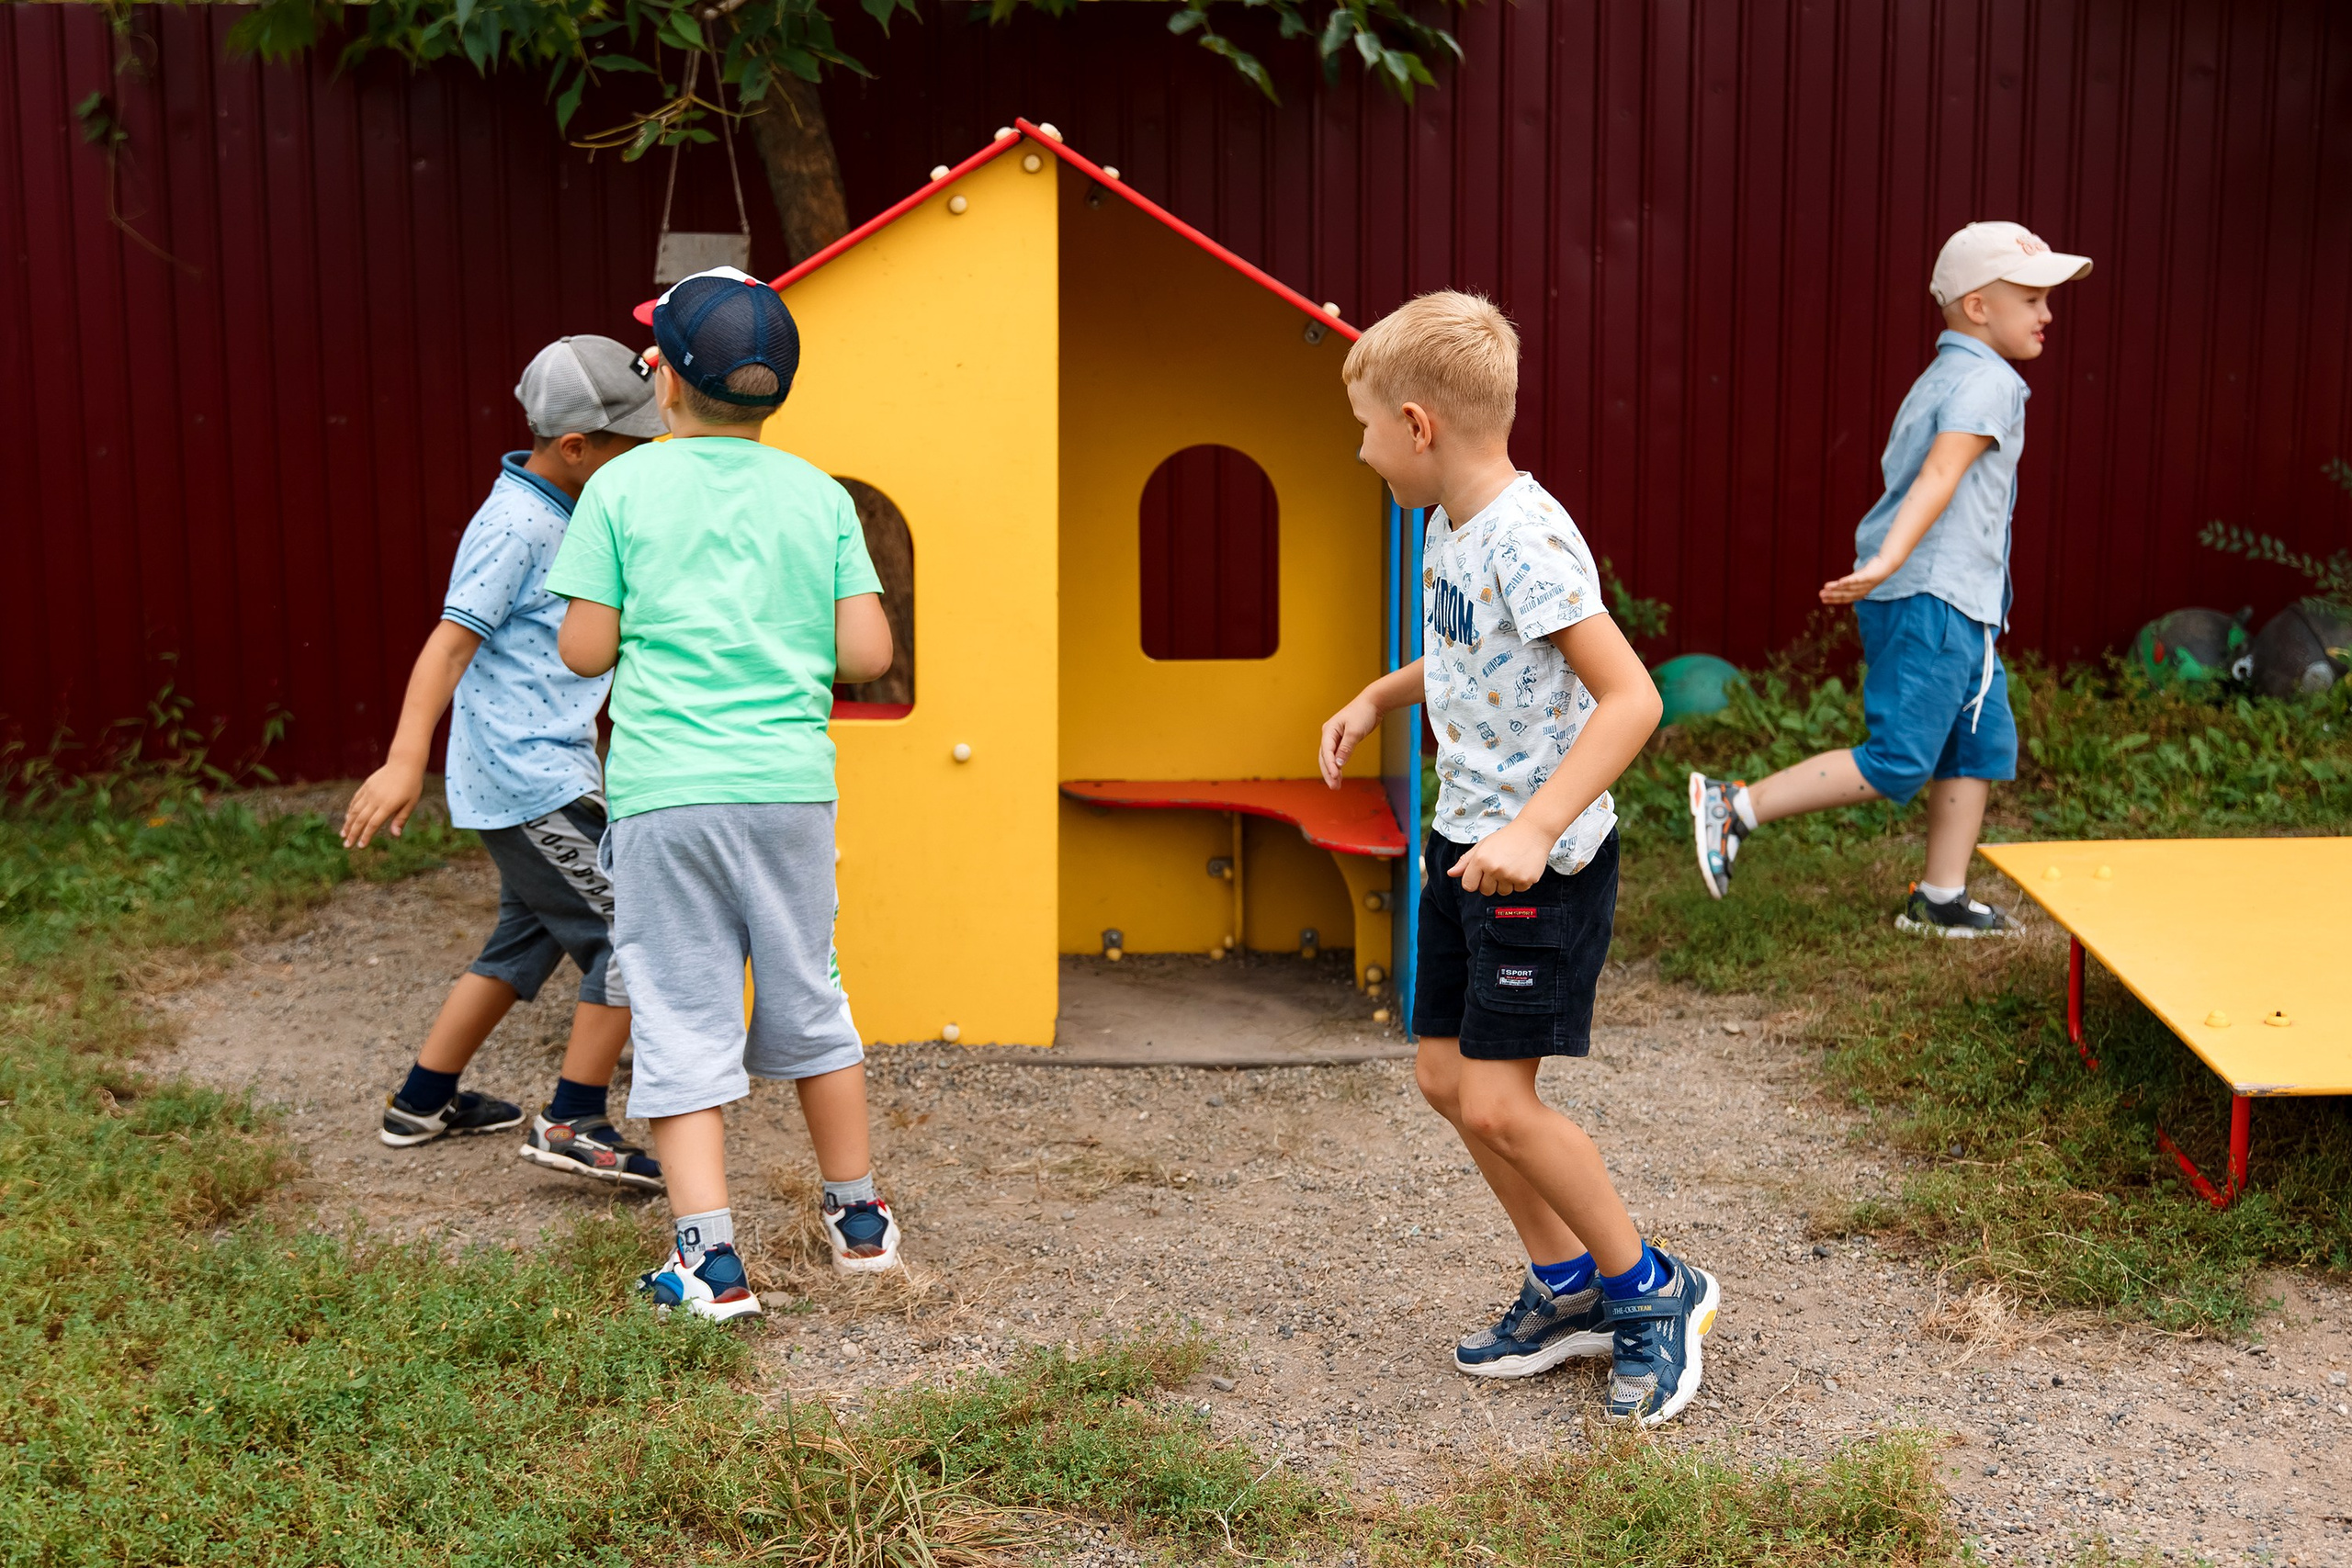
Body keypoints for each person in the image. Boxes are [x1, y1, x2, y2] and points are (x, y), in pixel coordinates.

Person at [1318, 291, 1720, 1426]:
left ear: (1416, 424)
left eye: (1361, 427)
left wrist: (1535, 828)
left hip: (1532, 865)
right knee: (1447, 1081)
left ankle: (1650, 1290)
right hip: (1465, 849)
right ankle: (1564, 1288)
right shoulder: (1451, 526)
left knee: (1500, 1103)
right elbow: (1466, 659)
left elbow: (1629, 698)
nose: (1357, 450)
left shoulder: (1527, 537)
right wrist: (1377, 695)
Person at [547, 266, 899, 1322]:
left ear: (665, 383)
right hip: (788, 792)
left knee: (680, 1013)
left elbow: (582, 651)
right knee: (810, 996)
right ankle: (860, 1220)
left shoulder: (618, 490)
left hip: (666, 799)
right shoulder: (818, 493)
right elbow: (869, 651)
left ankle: (709, 1262)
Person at [1690, 222, 2092, 934]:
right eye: (2031, 298)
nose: (2046, 314)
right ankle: (1735, 806)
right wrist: (1889, 561)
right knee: (1901, 758)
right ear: (1977, 306)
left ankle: (1940, 897)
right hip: (1931, 594)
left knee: (1978, 743)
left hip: (1959, 603)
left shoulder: (1944, 375)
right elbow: (1939, 474)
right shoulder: (1988, 381)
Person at [343, 335, 665, 1192]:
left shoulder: (562, 505)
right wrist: (406, 761)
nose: (641, 463)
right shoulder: (517, 523)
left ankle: (422, 1100)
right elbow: (450, 645)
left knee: (521, 944)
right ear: (575, 448)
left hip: (540, 772)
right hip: (531, 780)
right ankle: (576, 1118)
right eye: (630, 449)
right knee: (631, 930)